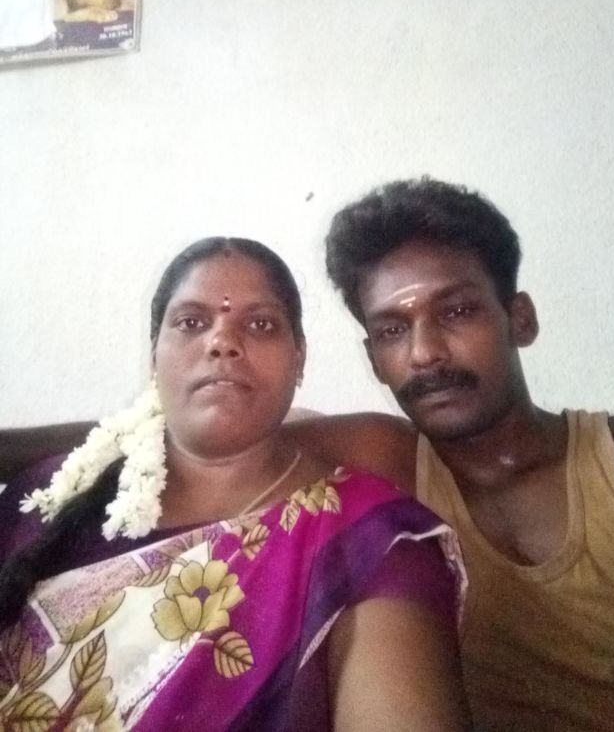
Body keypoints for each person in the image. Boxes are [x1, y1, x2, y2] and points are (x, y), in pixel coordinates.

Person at [0, 236, 469, 731]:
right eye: (191, 322)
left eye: (260, 324)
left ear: (299, 358)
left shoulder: (369, 542)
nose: (222, 342)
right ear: (154, 353)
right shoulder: (45, 496)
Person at [322, 177, 614, 732]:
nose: (425, 353)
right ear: (373, 360)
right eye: (393, 329)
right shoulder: (390, 460)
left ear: (520, 319)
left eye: (457, 311)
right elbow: (236, 439)